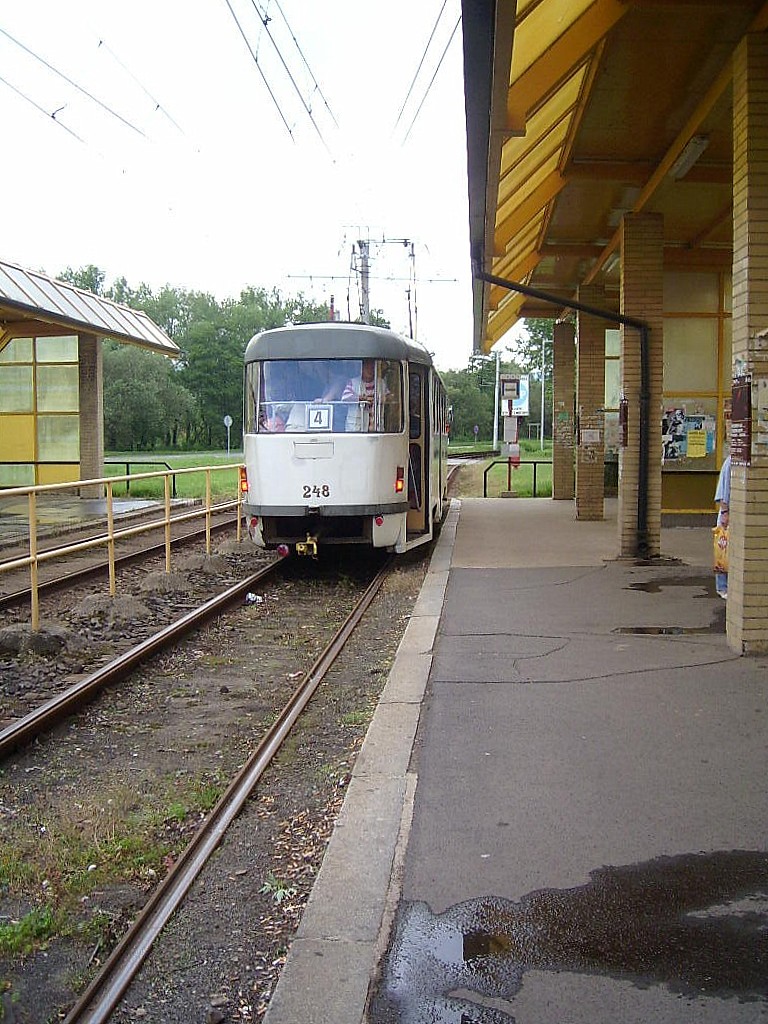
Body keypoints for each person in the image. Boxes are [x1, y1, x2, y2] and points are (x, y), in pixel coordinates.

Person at [714, 453, 731, 599]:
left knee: (725, 550)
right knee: (723, 550)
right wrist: (725, 512)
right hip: (727, 515)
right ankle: (722, 586)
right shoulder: (730, 463)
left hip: (730, 514)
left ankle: (724, 585)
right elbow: (723, 490)